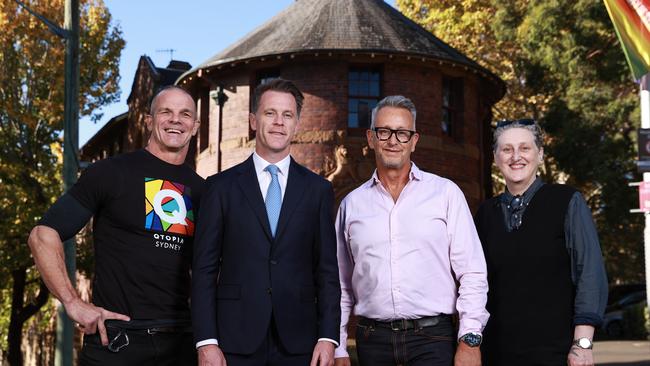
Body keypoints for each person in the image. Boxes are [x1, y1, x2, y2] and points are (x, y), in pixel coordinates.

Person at [27, 85, 204, 365]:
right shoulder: (110, 173)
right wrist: (73, 303)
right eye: (165, 112)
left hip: (180, 344)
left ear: (195, 126)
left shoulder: (203, 190)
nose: (175, 120)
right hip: (117, 343)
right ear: (148, 121)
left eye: (185, 114)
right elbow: (42, 235)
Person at [192, 78, 340, 366]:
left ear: (297, 124)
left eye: (287, 115)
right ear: (252, 120)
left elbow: (327, 271)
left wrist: (328, 336)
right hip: (233, 340)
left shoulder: (318, 190)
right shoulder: (220, 187)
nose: (278, 123)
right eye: (270, 113)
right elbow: (204, 270)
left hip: (301, 342)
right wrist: (206, 340)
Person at [334, 95, 489, 366]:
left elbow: (473, 272)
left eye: (402, 133)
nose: (393, 141)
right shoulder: (351, 205)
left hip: (434, 340)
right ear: (371, 138)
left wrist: (470, 339)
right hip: (373, 343)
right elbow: (340, 285)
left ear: (414, 141)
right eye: (384, 132)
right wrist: (338, 348)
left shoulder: (446, 194)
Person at [474, 119, 608, 366]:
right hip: (496, 352)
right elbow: (475, 283)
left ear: (540, 154)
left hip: (556, 353)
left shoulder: (567, 201)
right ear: (495, 157)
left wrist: (582, 344)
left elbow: (589, 273)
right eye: (507, 149)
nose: (516, 156)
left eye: (524, 148)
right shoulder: (485, 213)